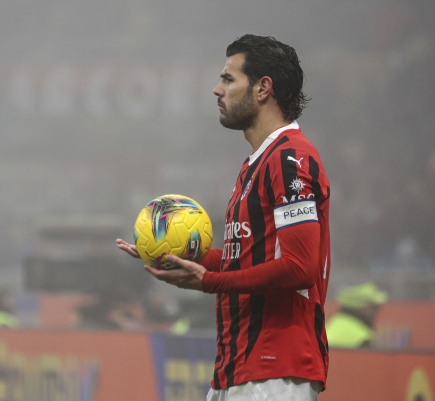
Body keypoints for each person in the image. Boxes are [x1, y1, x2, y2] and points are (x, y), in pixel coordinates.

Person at [117, 34, 331, 400]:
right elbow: (245, 259)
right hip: (238, 366)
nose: (217, 90)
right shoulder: (255, 164)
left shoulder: (290, 158)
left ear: (264, 88)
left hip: (275, 367)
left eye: (229, 79)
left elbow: (300, 267)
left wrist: (208, 282)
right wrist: (180, 254)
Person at [325, 282, 387, 349]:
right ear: (359, 306)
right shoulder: (362, 336)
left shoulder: (334, 322)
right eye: (373, 307)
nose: (377, 311)